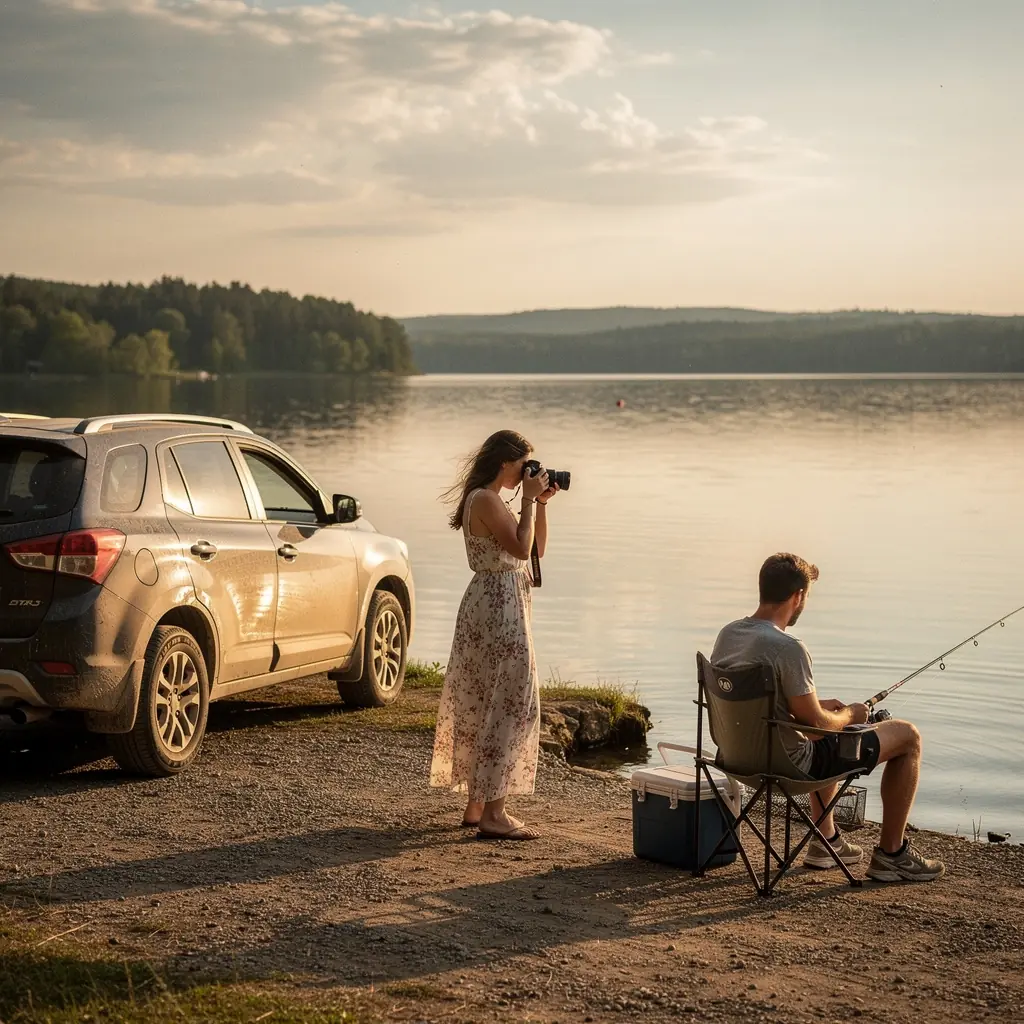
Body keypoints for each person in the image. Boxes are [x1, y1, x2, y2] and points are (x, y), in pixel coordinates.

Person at [711, 553, 945, 883]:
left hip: (736, 760)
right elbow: (818, 727)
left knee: (829, 731)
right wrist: (851, 714)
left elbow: (763, 705)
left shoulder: (729, 634)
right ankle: (892, 855)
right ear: (798, 596)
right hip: (788, 768)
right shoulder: (788, 648)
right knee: (907, 736)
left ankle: (826, 842)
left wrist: (819, 708)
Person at [429, 429, 560, 840]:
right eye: (524, 466)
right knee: (511, 701)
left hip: (500, 603)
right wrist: (525, 501)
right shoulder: (485, 499)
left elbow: (536, 550)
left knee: (488, 698)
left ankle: (476, 805)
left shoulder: (493, 500)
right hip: (498, 607)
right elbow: (519, 552)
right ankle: (494, 814)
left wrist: (538, 504)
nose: (527, 473)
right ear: (506, 462)